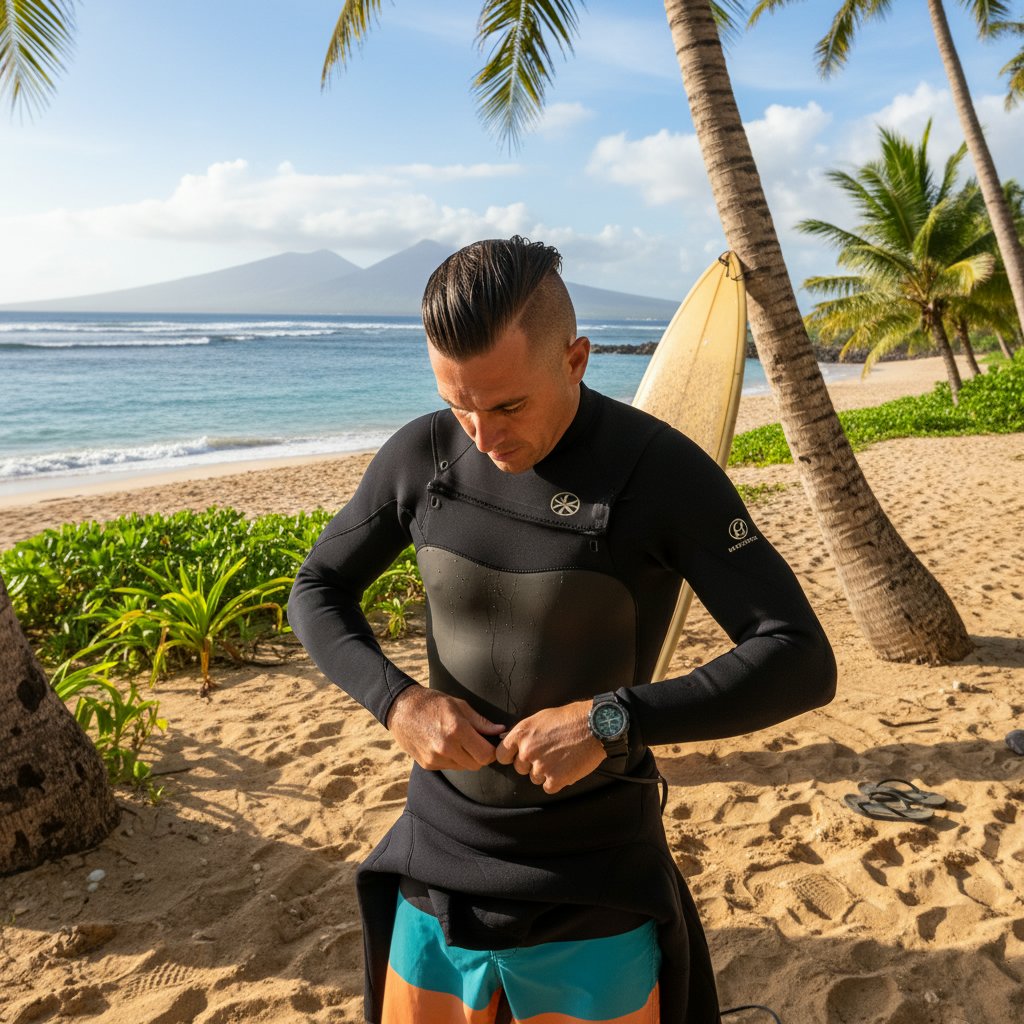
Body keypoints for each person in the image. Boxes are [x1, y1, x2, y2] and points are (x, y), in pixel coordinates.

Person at [288, 236, 837, 1024]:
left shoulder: (659, 474)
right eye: (459, 404)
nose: (483, 433)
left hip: (595, 875)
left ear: (576, 359)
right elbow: (317, 587)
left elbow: (799, 657)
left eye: (508, 405)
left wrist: (608, 718)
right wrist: (398, 703)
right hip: (437, 853)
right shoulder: (424, 456)